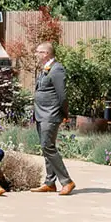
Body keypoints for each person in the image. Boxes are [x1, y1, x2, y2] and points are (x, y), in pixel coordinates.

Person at [33, 42, 74, 195]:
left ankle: (67, 181)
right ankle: (50, 182)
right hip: (41, 114)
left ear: (46, 54)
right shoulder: (44, 69)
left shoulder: (57, 69)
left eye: (38, 52)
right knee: (46, 147)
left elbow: (62, 95)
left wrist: (64, 114)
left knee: (47, 147)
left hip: (50, 114)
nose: (36, 54)